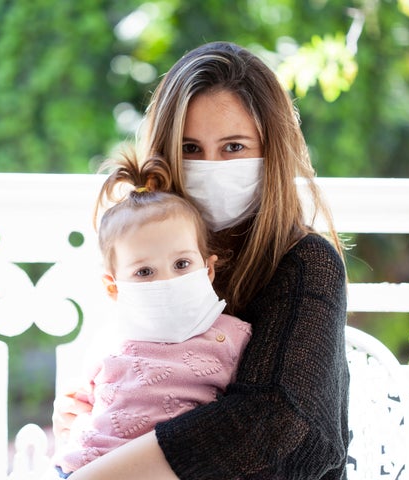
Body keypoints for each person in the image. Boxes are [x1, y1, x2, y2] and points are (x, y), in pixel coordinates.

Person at [55, 41, 350, 479]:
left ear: (272, 150)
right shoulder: (140, 250)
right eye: (191, 149)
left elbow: (272, 422)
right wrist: (88, 414)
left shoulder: (307, 263)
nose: (211, 165)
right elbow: (127, 369)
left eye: (233, 147)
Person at [52, 152, 252, 478]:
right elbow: (79, 404)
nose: (167, 280)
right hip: (89, 466)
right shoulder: (111, 337)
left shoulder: (231, 336)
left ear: (209, 268)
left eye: (182, 264)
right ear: (113, 287)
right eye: (145, 271)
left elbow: (247, 418)